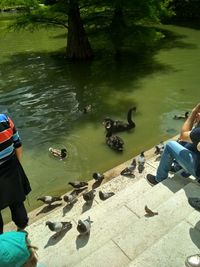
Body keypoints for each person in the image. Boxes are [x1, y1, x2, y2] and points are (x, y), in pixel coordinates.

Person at [146, 103, 200, 186]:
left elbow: (183, 135)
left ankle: (159, 179)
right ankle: (177, 167)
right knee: (186, 140)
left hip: (198, 170)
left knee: (170, 145)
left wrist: (193, 113)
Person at [0, 113, 31, 234]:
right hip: (11, 168)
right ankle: (22, 233)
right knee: (17, 203)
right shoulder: (4, 119)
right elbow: (17, 144)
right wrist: (16, 166)